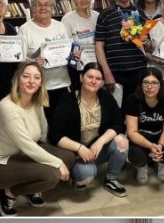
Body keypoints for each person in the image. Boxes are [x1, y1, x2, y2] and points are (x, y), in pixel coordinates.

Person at [0, 62, 77, 215]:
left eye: (36, 78)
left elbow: (43, 134)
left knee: (69, 157)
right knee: (51, 175)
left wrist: (57, 157)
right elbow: (27, 145)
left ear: (41, 83)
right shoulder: (8, 108)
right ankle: (7, 193)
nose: (31, 81)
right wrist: (56, 163)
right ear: (17, 79)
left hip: (22, 154)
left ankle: (30, 187)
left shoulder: (37, 101)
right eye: (26, 76)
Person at [48, 62, 129, 196]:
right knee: (86, 176)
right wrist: (80, 148)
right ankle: (78, 175)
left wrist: (100, 141)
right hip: (76, 153)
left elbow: (117, 124)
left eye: (98, 79)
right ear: (81, 77)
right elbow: (54, 134)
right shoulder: (68, 100)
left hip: (96, 150)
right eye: (89, 77)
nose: (93, 81)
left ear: (102, 82)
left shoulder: (106, 97)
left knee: (122, 141)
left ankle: (111, 179)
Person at [18, 0, 74, 120]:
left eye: (47, 4)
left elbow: (67, 50)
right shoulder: (24, 29)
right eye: (38, 4)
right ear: (32, 7)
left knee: (61, 123)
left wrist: (73, 54)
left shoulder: (60, 26)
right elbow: (19, 62)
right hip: (38, 87)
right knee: (42, 126)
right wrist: (33, 63)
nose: (43, 8)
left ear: (53, 7)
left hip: (62, 83)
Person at [124, 67, 164, 184]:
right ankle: (142, 166)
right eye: (146, 83)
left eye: (154, 83)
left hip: (161, 137)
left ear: (161, 84)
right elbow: (132, 132)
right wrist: (150, 146)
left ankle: (163, 164)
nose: (149, 87)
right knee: (135, 155)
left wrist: (160, 145)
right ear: (141, 84)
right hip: (141, 138)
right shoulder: (132, 100)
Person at [95, 0, 148, 93]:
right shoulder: (105, 14)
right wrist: (106, 72)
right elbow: (99, 46)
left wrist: (146, 41)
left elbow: (148, 45)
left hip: (139, 71)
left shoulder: (140, 13)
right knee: (115, 109)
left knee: (136, 109)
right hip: (114, 72)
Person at [62, 0, 100, 87]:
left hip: (96, 64)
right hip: (77, 66)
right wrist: (73, 53)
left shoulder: (97, 16)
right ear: (74, 0)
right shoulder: (67, 19)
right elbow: (66, 44)